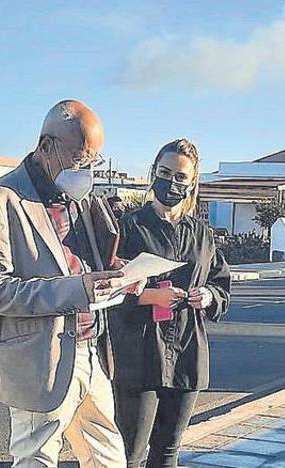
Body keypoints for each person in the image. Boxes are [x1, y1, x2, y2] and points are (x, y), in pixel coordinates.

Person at [0, 100, 130, 468]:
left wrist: (115, 273)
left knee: (108, 458)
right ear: (46, 146)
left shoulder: (80, 198)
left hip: (90, 351)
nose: (85, 168)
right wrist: (78, 290)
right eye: (78, 157)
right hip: (39, 359)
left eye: (93, 160)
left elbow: (86, 260)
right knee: (36, 460)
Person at [110, 139, 232, 468]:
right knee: (129, 454)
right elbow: (107, 289)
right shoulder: (128, 228)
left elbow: (221, 284)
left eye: (180, 176)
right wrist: (148, 296)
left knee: (167, 452)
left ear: (192, 183)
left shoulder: (202, 235)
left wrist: (209, 296)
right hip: (140, 355)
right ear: (153, 174)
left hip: (187, 355)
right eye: (165, 173)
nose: (172, 182)